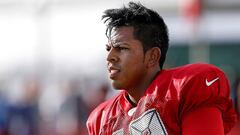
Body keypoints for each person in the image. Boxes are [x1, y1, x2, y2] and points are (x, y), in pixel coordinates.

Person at [86, 2, 237, 135]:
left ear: (152, 56)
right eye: (109, 49)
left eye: (121, 48)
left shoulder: (186, 88)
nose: (110, 57)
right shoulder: (101, 119)